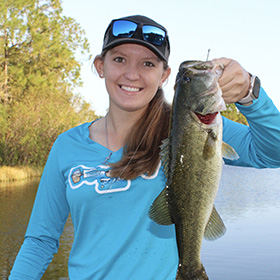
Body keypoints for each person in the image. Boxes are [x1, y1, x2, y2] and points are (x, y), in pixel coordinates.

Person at [9, 15, 280, 280]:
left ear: (164, 75)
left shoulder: (190, 125)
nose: (132, 74)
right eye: (119, 59)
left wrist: (250, 93)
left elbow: (272, 152)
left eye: (148, 63)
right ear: (100, 66)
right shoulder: (67, 146)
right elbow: (40, 241)